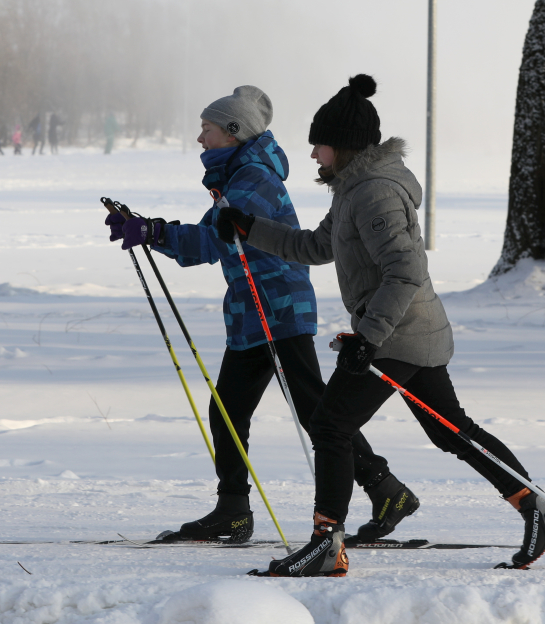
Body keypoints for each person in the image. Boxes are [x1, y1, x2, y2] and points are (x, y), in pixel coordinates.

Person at [218, 74, 545, 577]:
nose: (314, 155)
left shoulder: (375, 193)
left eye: (319, 144)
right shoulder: (352, 189)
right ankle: (539, 510)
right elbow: (317, 247)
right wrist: (251, 229)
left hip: (398, 335)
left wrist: (368, 337)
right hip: (410, 332)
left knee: (331, 425)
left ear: (341, 145)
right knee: (452, 431)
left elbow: (405, 272)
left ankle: (326, 542)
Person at [106, 85, 419, 545]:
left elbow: (212, 241)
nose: (200, 140)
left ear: (232, 133)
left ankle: (385, 489)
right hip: (255, 311)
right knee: (230, 410)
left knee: (316, 412)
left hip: (277, 308)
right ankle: (233, 509)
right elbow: (216, 235)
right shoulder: (239, 173)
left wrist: (152, 231)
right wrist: (152, 229)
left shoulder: (252, 178)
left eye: (207, 130)